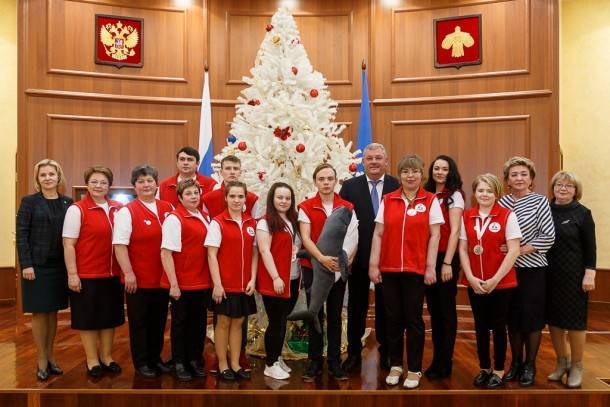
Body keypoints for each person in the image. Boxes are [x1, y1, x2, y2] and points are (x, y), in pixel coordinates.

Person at [369, 154, 443, 389]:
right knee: (392, 319)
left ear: (422, 174)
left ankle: (414, 369)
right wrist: (373, 264)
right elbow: (378, 234)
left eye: (414, 171)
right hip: (389, 269)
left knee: (413, 320)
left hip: (415, 270)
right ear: (399, 175)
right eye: (405, 172)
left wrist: (430, 267)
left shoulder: (430, 200)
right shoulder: (388, 199)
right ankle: (395, 365)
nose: (410, 176)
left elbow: (435, 235)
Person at [339, 143, 399, 372]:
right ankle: (354, 353)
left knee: (388, 308)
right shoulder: (350, 186)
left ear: (386, 161)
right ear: (363, 162)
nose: (374, 162)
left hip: (389, 258)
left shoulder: (397, 185)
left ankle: (387, 354)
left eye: (378, 158)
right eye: (369, 158)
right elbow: (343, 222)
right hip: (358, 257)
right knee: (357, 307)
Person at [459, 174, 522, 389]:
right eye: (480, 190)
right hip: (475, 282)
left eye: (489, 191)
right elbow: (463, 249)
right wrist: (470, 276)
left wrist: (495, 279)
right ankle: (484, 367)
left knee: (498, 326)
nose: (484, 194)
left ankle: (498, 370)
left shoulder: (507, 216)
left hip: (501, 283)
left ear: (497, 193)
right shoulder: (467, 216)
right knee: (480, 326)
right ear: (475, 193)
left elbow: (513, 250)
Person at [62, 166, 125, 378]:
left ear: (109, 186)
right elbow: (68, 244)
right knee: (88, 320)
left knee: (110, 318)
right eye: (94, 182)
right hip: (87, 275)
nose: (99, 186)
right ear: (87, 184)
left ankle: (107, 357)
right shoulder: (76, 209)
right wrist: (72, 274)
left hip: (113, 275)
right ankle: (92, 360)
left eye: (103, 182)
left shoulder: (118, 208)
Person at [298, 163, 358, 382]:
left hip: (337, 269)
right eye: (321, 179)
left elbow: (354, 237)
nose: (325, 183)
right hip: (313, 268)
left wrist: (345, 261)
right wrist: (322, 259)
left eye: (329, 178)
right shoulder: (305, 206)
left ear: (336, 181)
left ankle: (333, 362)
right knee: (315, 315)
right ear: (315, 181)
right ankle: (314, 362)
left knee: (334, 316)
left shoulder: (347, 206)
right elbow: (305, 238)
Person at [113, 165, 174, 378]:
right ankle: (142, 363)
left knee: (159, 322)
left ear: (157, 184)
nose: (146, 185)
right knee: (140, 323)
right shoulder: (127, 211)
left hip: (162, 278)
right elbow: (120, 245)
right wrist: (128, 273)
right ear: (134, 186)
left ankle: (156, 358)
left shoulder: (168, 208)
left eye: (150, 180)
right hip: (137, 280)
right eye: (141, 181)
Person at [499, 156, 555, 386]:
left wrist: (518, 251)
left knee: (531, 320)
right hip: (507, 271)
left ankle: (530, 364)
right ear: (508, 180)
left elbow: (548, 236)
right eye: (514, 175)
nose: (519, 178)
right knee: (512, 318)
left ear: (531, 179)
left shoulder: (541, 202)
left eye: (524, 174)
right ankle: (516, 363)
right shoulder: (501, 203)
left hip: (533, 270)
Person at [202, 154, 259, 372]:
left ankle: (235, 364)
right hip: (224, 284)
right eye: (233, 196)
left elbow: (255, 253)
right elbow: (211, 255)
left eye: (240, 196)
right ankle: (223, 364)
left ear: (246, 199)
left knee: (238, 324)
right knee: (223, 323)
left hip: (244, 284)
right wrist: (217, 284)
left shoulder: (251, 223)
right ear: (226, 198)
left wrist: (253, 279)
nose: (237, 200)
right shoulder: (217, 222)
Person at [16, 159, 72, 381]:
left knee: (53, 313)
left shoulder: (68, 203)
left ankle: (51, 357)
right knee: (40, 313)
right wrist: (26, 264)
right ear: (37, 179)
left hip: (59, 267)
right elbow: (22, 234)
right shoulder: (29, 202)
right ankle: (41, 359)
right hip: (36, 267)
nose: (48, 178)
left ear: (59, 177)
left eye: (52, 174)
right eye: (43, 175)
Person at [546, 171, 596, 388]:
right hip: (548, 275)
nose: (563, 188)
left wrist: (590, 272)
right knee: (554, 322)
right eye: (559, 184)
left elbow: (590, 248)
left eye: (568, 186)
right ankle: (561, 363)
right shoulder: (544, 209)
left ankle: (577, 365)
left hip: (575, 277)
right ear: (553, 187)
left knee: (575, 323)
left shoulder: (583, 214)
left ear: (576, 191)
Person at [161, 179, 212, 381]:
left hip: (202, 281)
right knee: (180, 324)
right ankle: (180, 361)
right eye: (188, 193)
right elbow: (166, 253)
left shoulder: (205, 216)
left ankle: (194, 359)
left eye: (196, 193)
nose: (193, 197)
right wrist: (173, 284)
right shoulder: (175, 219)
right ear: (180, 197)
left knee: (198, 324)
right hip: (182, 283)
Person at [422, 155, 465, 379]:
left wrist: (448, 262)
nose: (440, 172)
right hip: (428, 259)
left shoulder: (454, 196)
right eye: (436, 168)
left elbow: (455, 231)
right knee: (434, 312)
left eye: (444, 169)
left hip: (446, 258)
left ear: (451, 172)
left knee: (446, 312)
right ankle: (437, 360)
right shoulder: (426, 194)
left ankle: (445, 362)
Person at [256, 182, 302, 380]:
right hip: (275, 280)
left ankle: (277, 357)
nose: (283, 201)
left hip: (292, 278)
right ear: (272, 199)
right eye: (279, 197)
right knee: (276, 322)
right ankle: (270, 363)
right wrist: (275, 277)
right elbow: (264, 251)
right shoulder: (265, 222)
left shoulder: (294, 221)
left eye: (287, 198)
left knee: (282, 320)